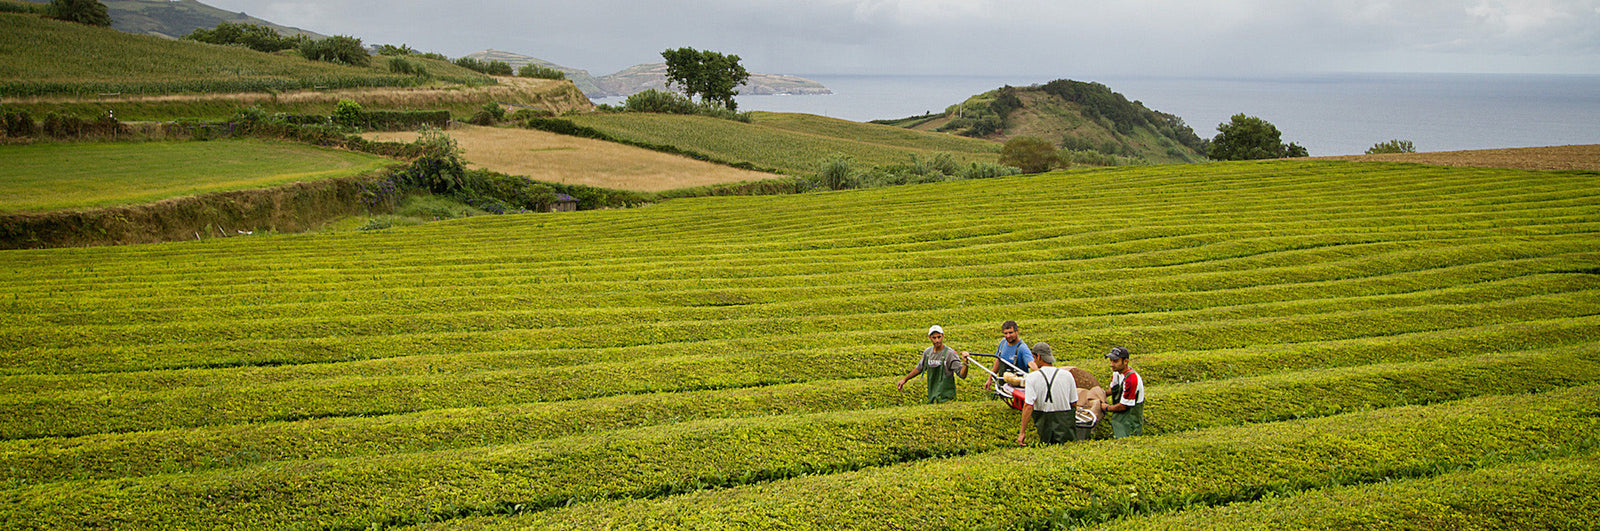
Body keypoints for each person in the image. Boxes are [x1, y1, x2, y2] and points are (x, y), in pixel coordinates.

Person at [1016, 342, 1077, 446]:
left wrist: (1022, 432)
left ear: (1038, 357)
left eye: (1034, 358)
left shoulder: (1032, 377)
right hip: (1065, 423)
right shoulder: (1067, 375)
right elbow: (1074, 403)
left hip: (1044, 423)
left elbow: (1028, 406)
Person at [897, 325, 972, 404]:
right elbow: (919, 368)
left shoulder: (950, 354)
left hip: (947, 398)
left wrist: (965, 363)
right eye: (934, 338)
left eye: (939, 337)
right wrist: (905, 379)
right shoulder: (928, 353)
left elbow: (962, 374)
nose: (937, 340)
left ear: (943, 336)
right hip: (932, 397)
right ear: (930, 337)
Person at [1104, 346, 1145, 438]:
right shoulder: (1116, 372)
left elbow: (1123, 406)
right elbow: (1112, 389)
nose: (1111, 364)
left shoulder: (1132, 379)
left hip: (1129, 417)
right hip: (1119, 416)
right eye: (1111, 361)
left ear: (1125, 361)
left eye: (1115, 361)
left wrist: (1106, 408)